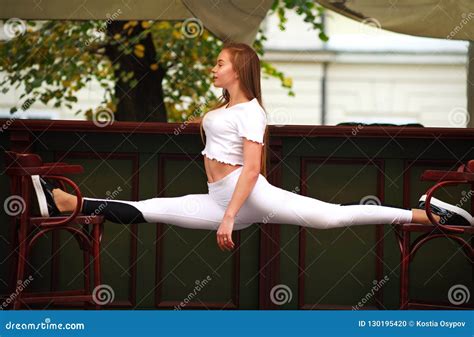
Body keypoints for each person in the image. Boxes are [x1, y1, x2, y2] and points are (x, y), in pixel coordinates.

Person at [31, 42, 474, 252]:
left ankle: (428, 213)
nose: (213, 68)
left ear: (238, 67)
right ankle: (69, 202)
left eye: (220, 63)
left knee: (330, 218)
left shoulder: (253, 112)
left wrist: (227, 218)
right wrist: (223, 211)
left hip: (247, 196)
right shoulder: (226, 107)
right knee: (150, 208)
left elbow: (251, 168)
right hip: (221, 200)